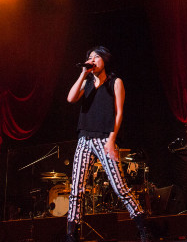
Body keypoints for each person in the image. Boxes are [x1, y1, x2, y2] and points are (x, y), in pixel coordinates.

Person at [65, 46, 152, 242]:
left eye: (96, 57)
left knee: (120, 187)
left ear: (104, 60)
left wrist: (112, 140)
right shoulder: (86, 81)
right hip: (84, 138)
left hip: (105, 138)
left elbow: (119, 112)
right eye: (89, 57)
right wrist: (83, 73)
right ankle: (71, 234)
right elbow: (70, 98)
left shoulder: (115, 82)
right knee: (76, 189)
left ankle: (143, 227)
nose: (92, 60)